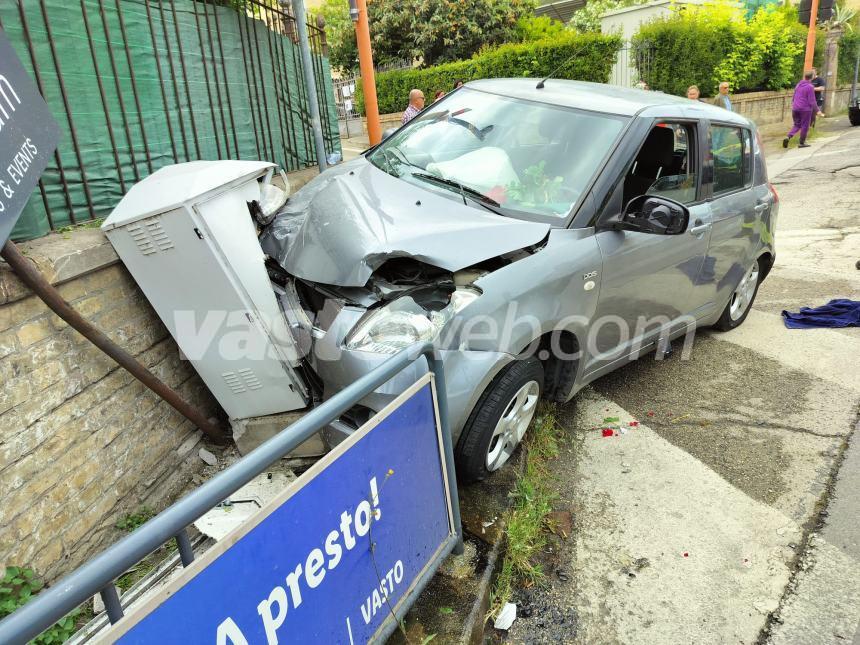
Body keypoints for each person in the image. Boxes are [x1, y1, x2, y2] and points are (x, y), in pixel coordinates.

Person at [783, 71, 818, 149]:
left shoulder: (798, 85)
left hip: (795, 108)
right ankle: (802, 143)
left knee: (797, 124)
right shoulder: (810, 86)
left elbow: (794, 96)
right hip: (805, 109)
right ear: (812, 77)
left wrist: (794, 105)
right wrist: (817, 110)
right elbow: (812, 100)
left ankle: (788, 137)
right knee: (805, 126)